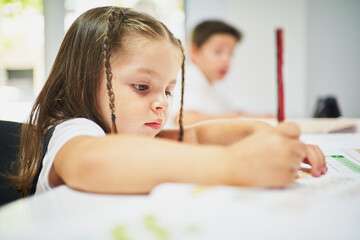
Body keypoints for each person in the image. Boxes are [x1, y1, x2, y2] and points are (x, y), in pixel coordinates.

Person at [10, 7, 326, 197]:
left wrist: (255, 132)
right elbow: (90, 162)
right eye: (142, 86)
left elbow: (198, 137)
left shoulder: (126, 132)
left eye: (168, 91)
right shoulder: (74, 130)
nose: (162, 103)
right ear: (85, 78)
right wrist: (235, 165)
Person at [172, 20, 273, 126]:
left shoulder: (214, 87)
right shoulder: (189, 77)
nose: (226, 60)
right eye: (218, 51)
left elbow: (234, 112)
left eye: (231, 54)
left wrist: (263, 117)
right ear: (194, 52)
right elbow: (184, 118)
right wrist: (242, 119)